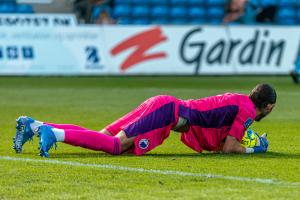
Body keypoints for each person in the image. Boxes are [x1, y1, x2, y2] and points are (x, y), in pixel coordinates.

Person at [13, 84, 276, 157]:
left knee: (102, 137)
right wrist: (256, 148)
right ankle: (51, 133)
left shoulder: (239, 100)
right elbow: (229, 147)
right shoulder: (248, 110)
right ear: (268, 106)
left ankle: (34, 125)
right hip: (167, 111)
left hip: (164, 105)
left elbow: (217, 135)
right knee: (116, 146)